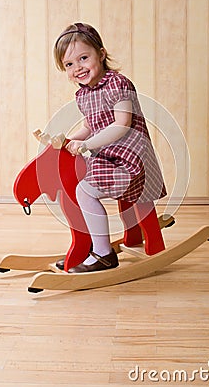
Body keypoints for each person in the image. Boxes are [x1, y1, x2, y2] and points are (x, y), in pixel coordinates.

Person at [53, 22, 166, 273]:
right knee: (78, 186)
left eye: (83, 58)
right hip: (108, 157)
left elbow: (121, 125)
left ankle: (103, 254)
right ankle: (93, 245)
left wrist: (87, 144)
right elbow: (89, 126)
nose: (78, 68)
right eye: (69, 64)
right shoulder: (83, 94)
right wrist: (69, 140)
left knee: (85, 191)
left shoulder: (117, 84)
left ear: (101, 55)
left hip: (131, 160)